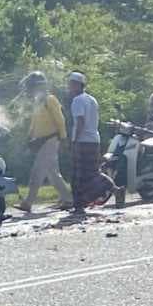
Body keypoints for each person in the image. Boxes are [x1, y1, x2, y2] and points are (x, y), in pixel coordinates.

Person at [16, 71, 73, 213]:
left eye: (30, 87)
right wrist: (30, 137)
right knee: (52, 173)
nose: (28, 90)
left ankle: (28, 202)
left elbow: (60, 120)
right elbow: (35, 122)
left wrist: (64, 137)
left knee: (37, 171)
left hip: (51, 139)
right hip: (42, 141)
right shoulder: (38, 101)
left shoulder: (50, 100)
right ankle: (67, 199)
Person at [67, 71, 101, 215]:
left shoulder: (77, 100)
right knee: (93, 172)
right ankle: (115, 190)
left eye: (70, 84)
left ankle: (78, 204)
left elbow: (80, 122)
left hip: (83, 141)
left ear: (76, 85)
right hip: (94, 139)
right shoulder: (92, 99)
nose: (69, 87)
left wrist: (75, 140)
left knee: (78, 174)